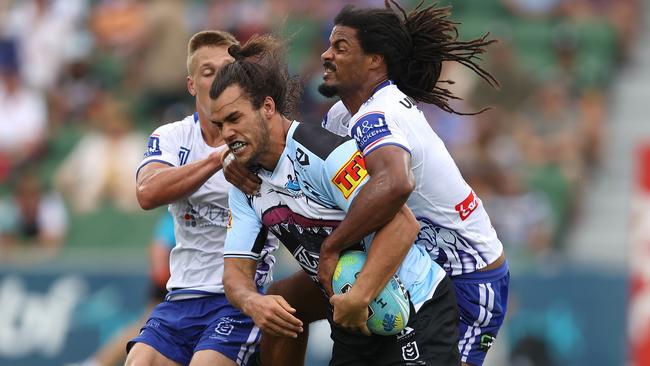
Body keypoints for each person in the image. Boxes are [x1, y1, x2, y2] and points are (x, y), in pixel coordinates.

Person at [225, 3, 509, 365]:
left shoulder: (381, 113)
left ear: (375, 61)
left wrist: (331, 248)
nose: (327, 55)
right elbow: (308, 167)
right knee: (287, 303)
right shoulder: (342, 115)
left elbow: (395, 183)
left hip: (466, 276)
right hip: (403, 260)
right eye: (329, 45)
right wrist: (238, 157)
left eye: (341, 47)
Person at [125, 30, 269, 366]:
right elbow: (147, 193)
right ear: (192, 84)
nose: (219, 81)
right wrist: (215, 158)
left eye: (227, 71)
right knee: (137, 361)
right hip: (181, 297)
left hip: (237, 300)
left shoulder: (263, 139)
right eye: (208, 72)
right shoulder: (173, 137)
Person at [67, 213, 175, 366]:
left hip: (184, 286)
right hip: (175, 286)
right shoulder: (174, 215)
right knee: (147, 328)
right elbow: (158, 253)